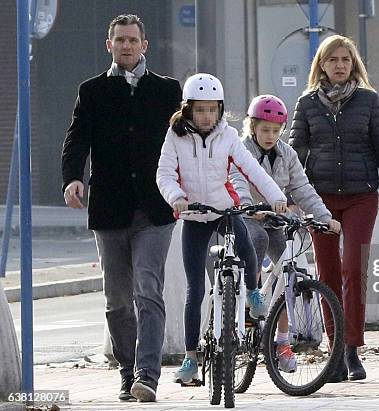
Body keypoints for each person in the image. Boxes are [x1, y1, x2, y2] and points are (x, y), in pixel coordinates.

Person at [61, 14, 181, 402]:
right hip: (110, 208)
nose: (126, 46)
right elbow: (76, 138)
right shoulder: (92, 91)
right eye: (119, 40)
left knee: (148, 288)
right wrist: (73, 178)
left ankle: (148, 375)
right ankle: (128, 372)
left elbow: (186, 139)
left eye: (133, 40)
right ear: (108, 45)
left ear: (145, 45)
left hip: (155, 207)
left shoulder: (166, 90)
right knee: (116, 299)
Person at [156, 74, 287, 385]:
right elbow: (164, 173)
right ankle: (190, 358)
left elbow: (251, 168)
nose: (206, 116)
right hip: (194, 216)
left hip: (224, 210)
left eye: (212, 110)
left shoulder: (227, 137)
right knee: (195, 289)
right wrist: (177, 198)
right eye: (200, 110)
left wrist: (275, 196)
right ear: (188, 109)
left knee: (246, 246)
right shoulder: (175, 137)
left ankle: (254, 294)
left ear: (220, 109)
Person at [290, 35, 379, 382]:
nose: (340, 65)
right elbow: (294, 155)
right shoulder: (307, 103)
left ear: (354, 65)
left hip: (361, 196)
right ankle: (334, 352)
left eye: (346, 60)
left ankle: (352, 349)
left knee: (354, 268)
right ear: (321, 65)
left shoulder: (368, 101)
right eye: (333, 59)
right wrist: (292, 197)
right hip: (319, 198)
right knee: (327, 272)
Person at [230, 94, 341, 373]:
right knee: (258, 239)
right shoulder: (242, 150)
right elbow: (236, 179)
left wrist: (325, 217)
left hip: (276, 219)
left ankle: (281, 341)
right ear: (252, 126)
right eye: (264, 129)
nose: (270, 136)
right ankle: (251, 295)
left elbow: (303, 189)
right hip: (249, 218)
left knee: (288, 269)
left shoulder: (287, 155)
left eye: (275, 130)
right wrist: (247, 206)